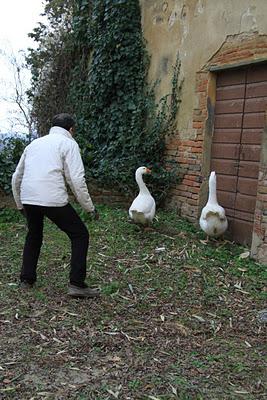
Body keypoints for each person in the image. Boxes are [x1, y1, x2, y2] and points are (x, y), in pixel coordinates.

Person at [11, 113, 100, 298]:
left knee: (34, 235)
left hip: (29, 197)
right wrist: (89, 208)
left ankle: (26, 279)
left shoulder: (33, 144)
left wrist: (20, 205)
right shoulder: (69, 143)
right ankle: (77, 284)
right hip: (52, 198)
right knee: (80, 234)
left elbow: (16, 177)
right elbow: (76, 179)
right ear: (71, 129)